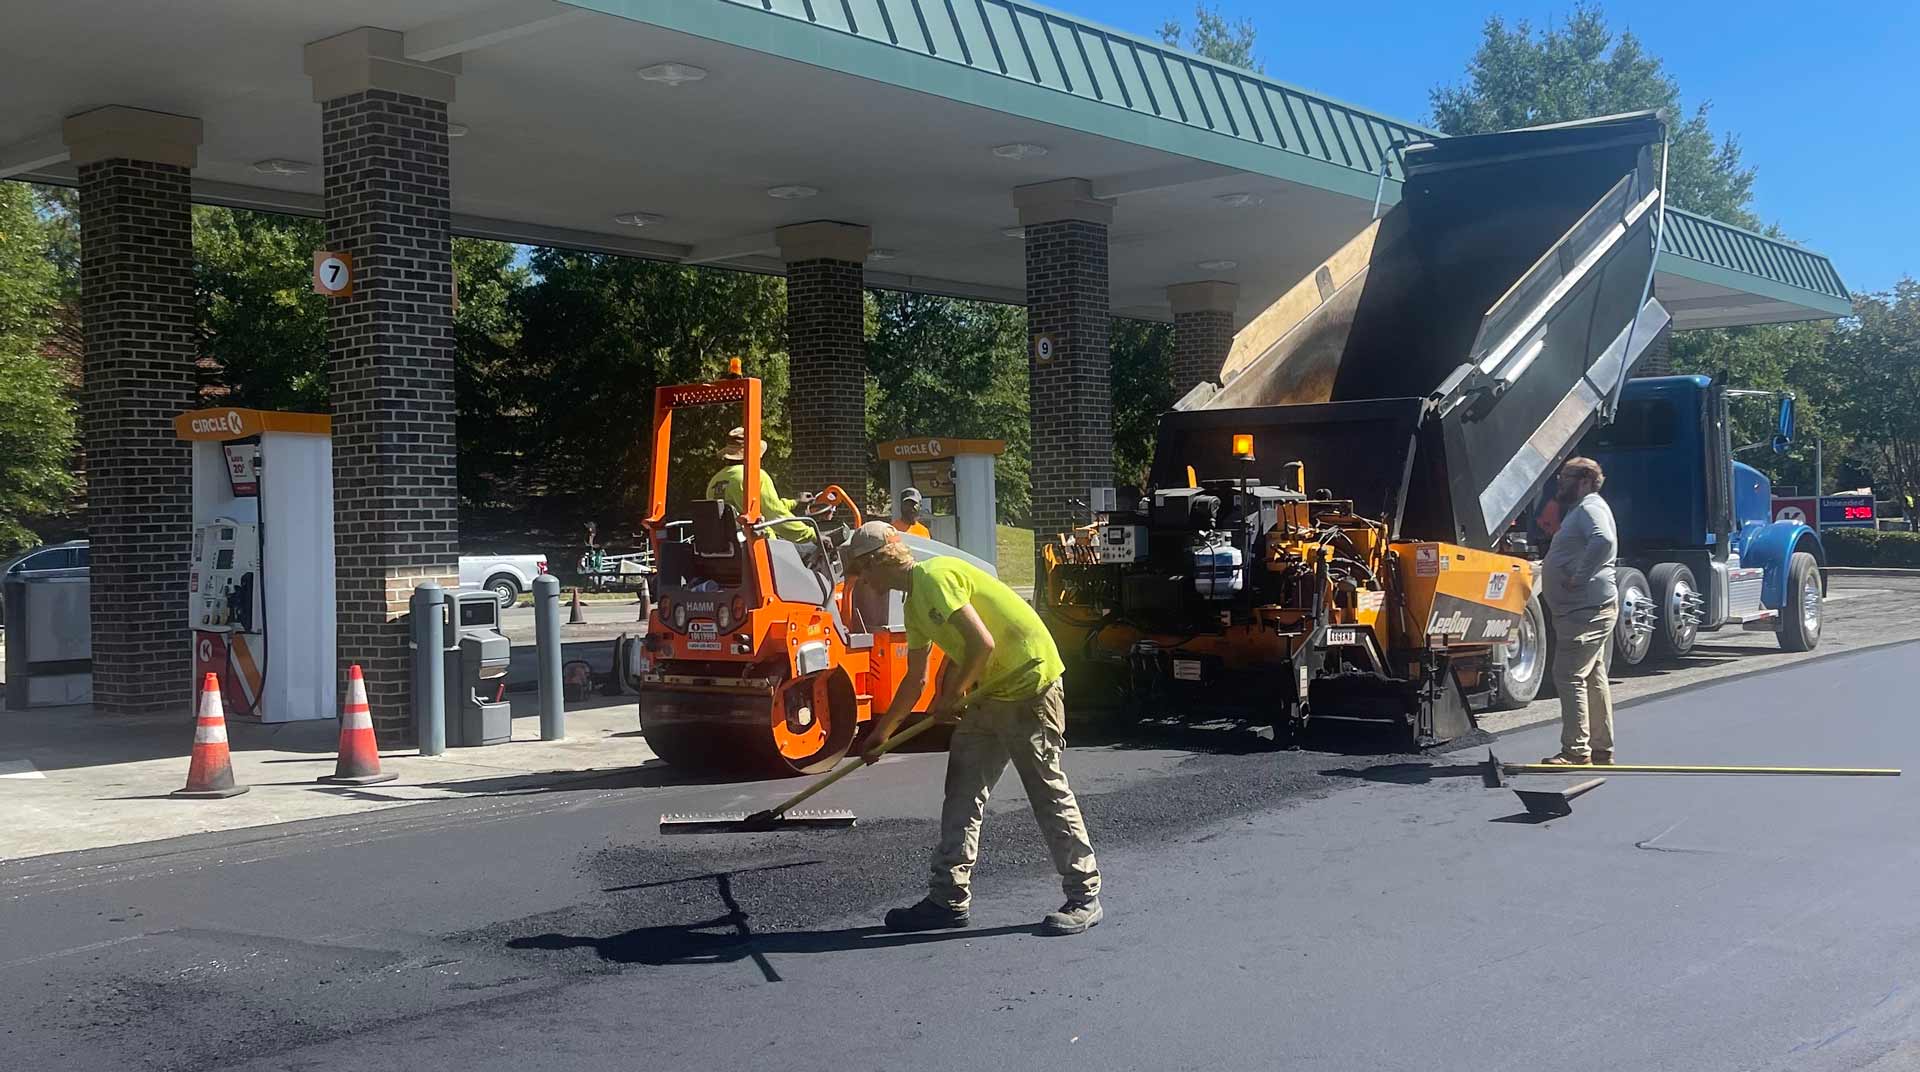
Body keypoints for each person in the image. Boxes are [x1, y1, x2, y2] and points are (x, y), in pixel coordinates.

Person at [843, 521, 1103, 935]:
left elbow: (981, 642)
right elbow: (915, 680)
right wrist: (883, 733)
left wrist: (954, 695)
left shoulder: (935, 575)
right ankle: (947, 899)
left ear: (878, 562)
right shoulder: (913, 607)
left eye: (861, 570)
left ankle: (1084, 896)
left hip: (1030, 684)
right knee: (962, 792)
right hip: (990, 693)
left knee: (1046, 790)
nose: (861, 580)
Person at [1540, 457, 1619, 766]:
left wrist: (1579, 576)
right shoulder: (1584, 508)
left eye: (1565, 477)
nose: (1560, 483)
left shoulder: (1589, 507)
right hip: (1585, 607)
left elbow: (1603, 540)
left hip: (1585, 608)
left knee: (1568, 674)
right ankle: (1601, 747)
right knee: (1592, 675)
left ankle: (1576, 750)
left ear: (1585, 479)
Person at [705, 427, 814, 541]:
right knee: (811, 549)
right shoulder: (754, 476)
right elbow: (775, 514)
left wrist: (795, 502)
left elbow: (760, 507)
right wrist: (812, 535)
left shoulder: (715, 480)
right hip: (760, 544)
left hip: (729, 548)